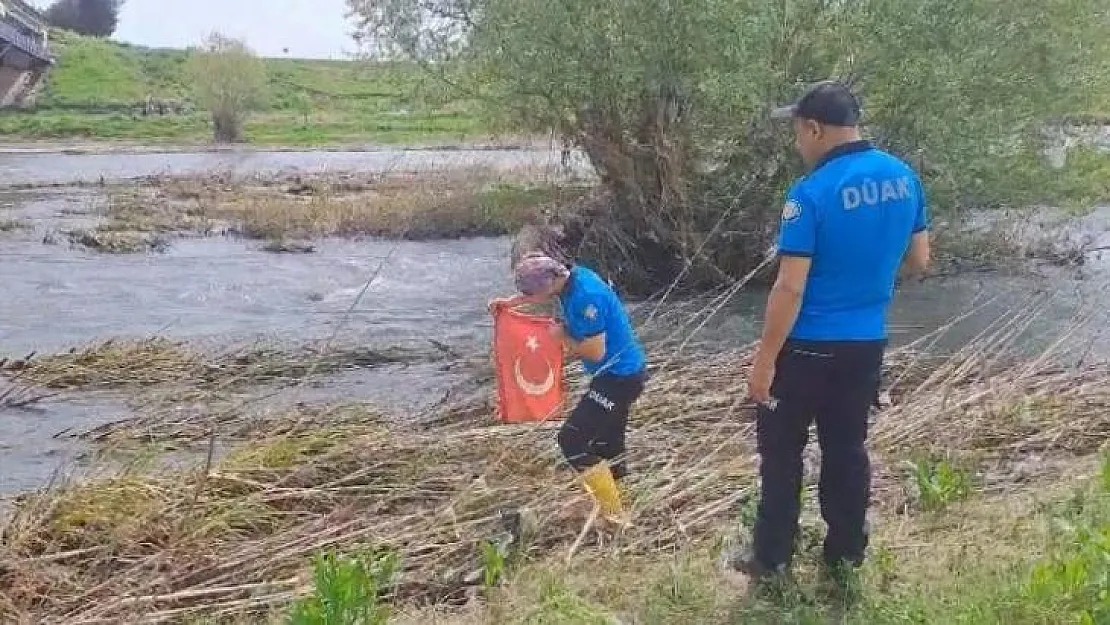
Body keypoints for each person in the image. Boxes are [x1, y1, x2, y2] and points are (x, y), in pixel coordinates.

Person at [732, 81, 931, 588]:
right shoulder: (905, 179)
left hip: (804, 348)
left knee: (781, 456)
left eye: (799, 132)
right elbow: (919, 261)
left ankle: (772, 562)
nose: (799, 143)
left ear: (815, 129)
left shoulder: (809, 196)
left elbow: (790, 287)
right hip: (865, 344)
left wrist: (763, 360)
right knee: (847, 450)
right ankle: (844, 558)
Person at [490, 253, 648, 523]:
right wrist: (510, 303)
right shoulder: (570, 276)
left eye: (531, 293)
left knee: (572, 440)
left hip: (619, 378)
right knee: (607, 444)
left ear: (549, 283)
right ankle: (622, 505)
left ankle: (614, 514)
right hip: (618, 374)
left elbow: (596, 352)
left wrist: (562, 336)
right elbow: (541, 289)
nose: (532, 298)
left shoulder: (587, 297)